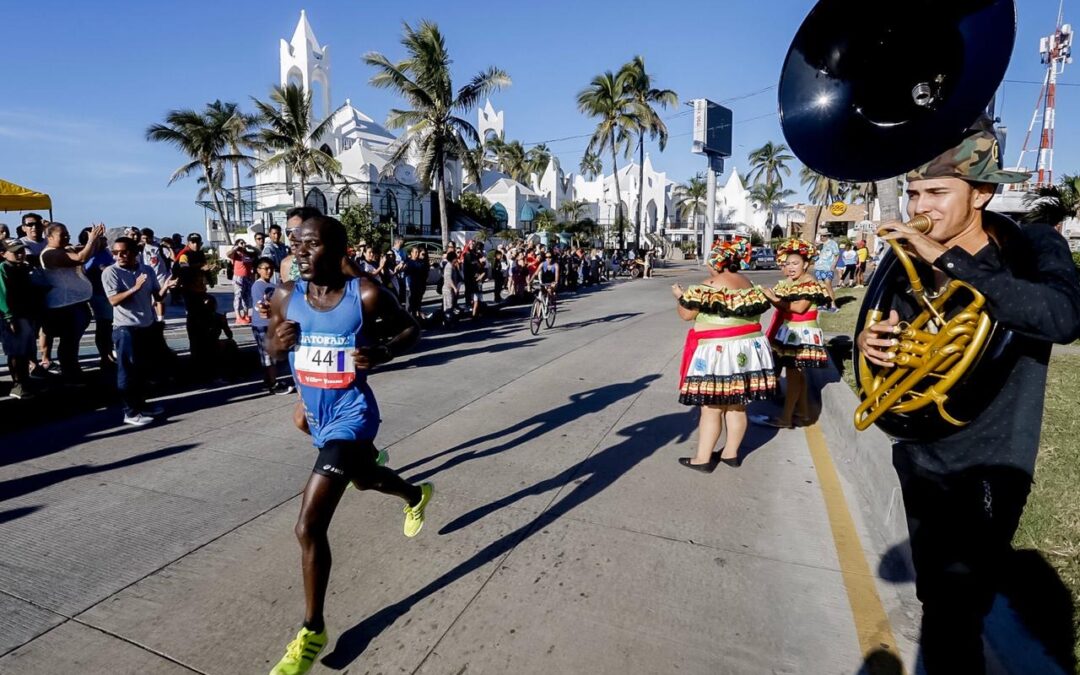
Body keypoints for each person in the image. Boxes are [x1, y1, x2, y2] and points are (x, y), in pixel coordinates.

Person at [856, 119, 1080, 673]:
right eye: (912, 192)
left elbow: (1062, 318)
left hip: (987, 463)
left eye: (935, 192)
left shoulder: (1032, 245)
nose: (918, 205)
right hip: (919, 454)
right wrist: (871, 344)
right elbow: (882, 326)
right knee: (940, 604)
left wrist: (946, 259)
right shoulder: (904, 255)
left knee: (957, 613)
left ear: (982, 193)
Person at [265, 214, 433, 675]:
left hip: (352, 417)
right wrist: (276, 343)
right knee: (364, 480)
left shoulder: (367, 294)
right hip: (317, 416)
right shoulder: (286, 295)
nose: (299, 252)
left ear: (336, 249)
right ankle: (415, 495)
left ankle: (311, 629)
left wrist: (382, 351)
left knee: (308, 526)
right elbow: (272, 350)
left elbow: (411, 329)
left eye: (310, 245)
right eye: (295, 244)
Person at [671, 239, 776, 471]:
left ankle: (703, 459)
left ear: (715, 263)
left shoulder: (709, 284)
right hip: (749, 350)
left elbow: (686, 315)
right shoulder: (748, 283)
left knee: (712, 406)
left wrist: (680, 296)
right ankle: (730, 454)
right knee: (737, 404)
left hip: (721, 350)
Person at [752, 238, 830, 429]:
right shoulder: (794, 281)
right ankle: (802, 413)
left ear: (805, 264)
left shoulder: (809, 282)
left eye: (795, 263)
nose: (791, 267)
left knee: (794, 375)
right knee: (797, 375)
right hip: (791, 331)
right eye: (788, 264)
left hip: (801, 332)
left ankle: (786, 418)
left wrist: (773, 298)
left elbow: (799, 308)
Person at [102, 237, 178, 425]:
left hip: (146, 326)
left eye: (124, 252)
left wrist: (166, 288)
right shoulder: (111, 272)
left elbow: (157, 296)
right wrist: (135, 288)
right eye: (115, 252)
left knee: (143, 370)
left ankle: (142, 405)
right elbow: (114, 300)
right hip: (126, 329)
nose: (119, 256)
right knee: (127, 371)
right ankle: (130, 411)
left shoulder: (146, 270)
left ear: (135, 252)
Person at [40, 223, 104, 383]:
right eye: (63, 234)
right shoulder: (50, 255)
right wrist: (91, 241)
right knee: (68, 341)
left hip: (75, 304)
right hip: (63, 306)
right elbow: (81, 258)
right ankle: (70, 373)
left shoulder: (65, 249)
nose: (67, 237)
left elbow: (87, 252)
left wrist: (95, 241)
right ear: (49, 237)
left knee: (72, 340)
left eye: (68, 233)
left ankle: (72, 369)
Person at [0, 239, 41, 398]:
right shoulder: (3, 269)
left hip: (27, 314)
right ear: (3, 254)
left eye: (22, 251)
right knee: (15, 351)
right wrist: (10, 317)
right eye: (15, 251)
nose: (20, 254)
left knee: (25, 350)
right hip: (12, 317)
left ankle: (25, 380)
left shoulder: (25, 268)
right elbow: (2, 295)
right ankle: (18, 384)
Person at [251, 257, 294, 396]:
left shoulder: (273, 285)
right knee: (268, 357)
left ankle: (268, 381)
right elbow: (260, 306)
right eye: (265, 268)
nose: (269, 271)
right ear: (258, 270)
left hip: (271, 325)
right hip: (262, 326)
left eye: (270, 268)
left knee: (271, 355)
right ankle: (273, 384)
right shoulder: (258, 285)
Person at [79, 226, 117, 370]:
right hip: (100, 295)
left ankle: (109, 354)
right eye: (100, 237)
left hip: (109, 294)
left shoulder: (104, 251)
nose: (104, 239)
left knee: (108, 326)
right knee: (104, 326)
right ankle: (105, 356)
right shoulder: (92, 256)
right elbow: (88, 271)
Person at [227, 238, 257, 325]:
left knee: (246, 297)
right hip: (238, 278)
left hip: (247, 277)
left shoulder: (247, 254)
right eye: (241, 243)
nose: (243, 244)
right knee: (238, 296)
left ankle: (246, 314)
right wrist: (236, 247)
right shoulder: (235, 254)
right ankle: (238, 316)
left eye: (244, 242)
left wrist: (250, 247)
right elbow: (228, 254)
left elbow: (257, 253)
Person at [814, 232, 840, 311]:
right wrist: (815, 248)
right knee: (822, 287)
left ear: (828, 236)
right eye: (821, 235)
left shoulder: (832, 243)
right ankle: (824, 304)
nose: (822, 237)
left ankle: (833, 305)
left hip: (828, 268)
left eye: (824, 235)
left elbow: (837, 254)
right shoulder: (820, 245)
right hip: (818, 267)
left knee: (828, 285)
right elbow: (815, 255)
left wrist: (834, 265)